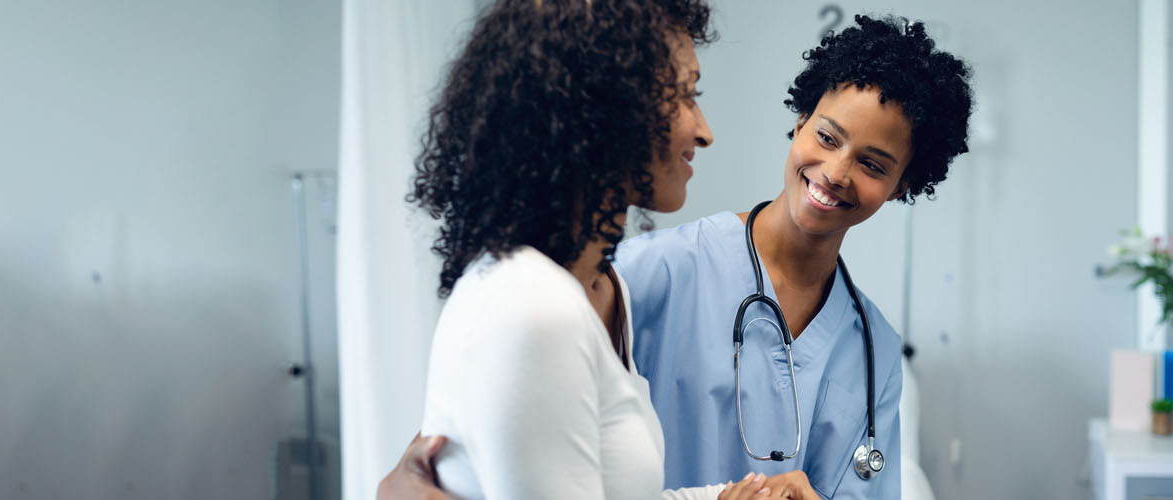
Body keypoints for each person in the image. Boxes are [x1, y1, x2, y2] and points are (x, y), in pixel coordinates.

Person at [386, 14, 974, 500]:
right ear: (799, 121)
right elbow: (496, 420)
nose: (837, 172)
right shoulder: (643, 274)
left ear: (902, 184)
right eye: (826, 136)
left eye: (873, 164)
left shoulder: (873, 352)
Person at [402, 0, 783, 498]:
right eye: (684, 96)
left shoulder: (604, 288)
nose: (704, 131)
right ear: (604, 110)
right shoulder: (532, 307)